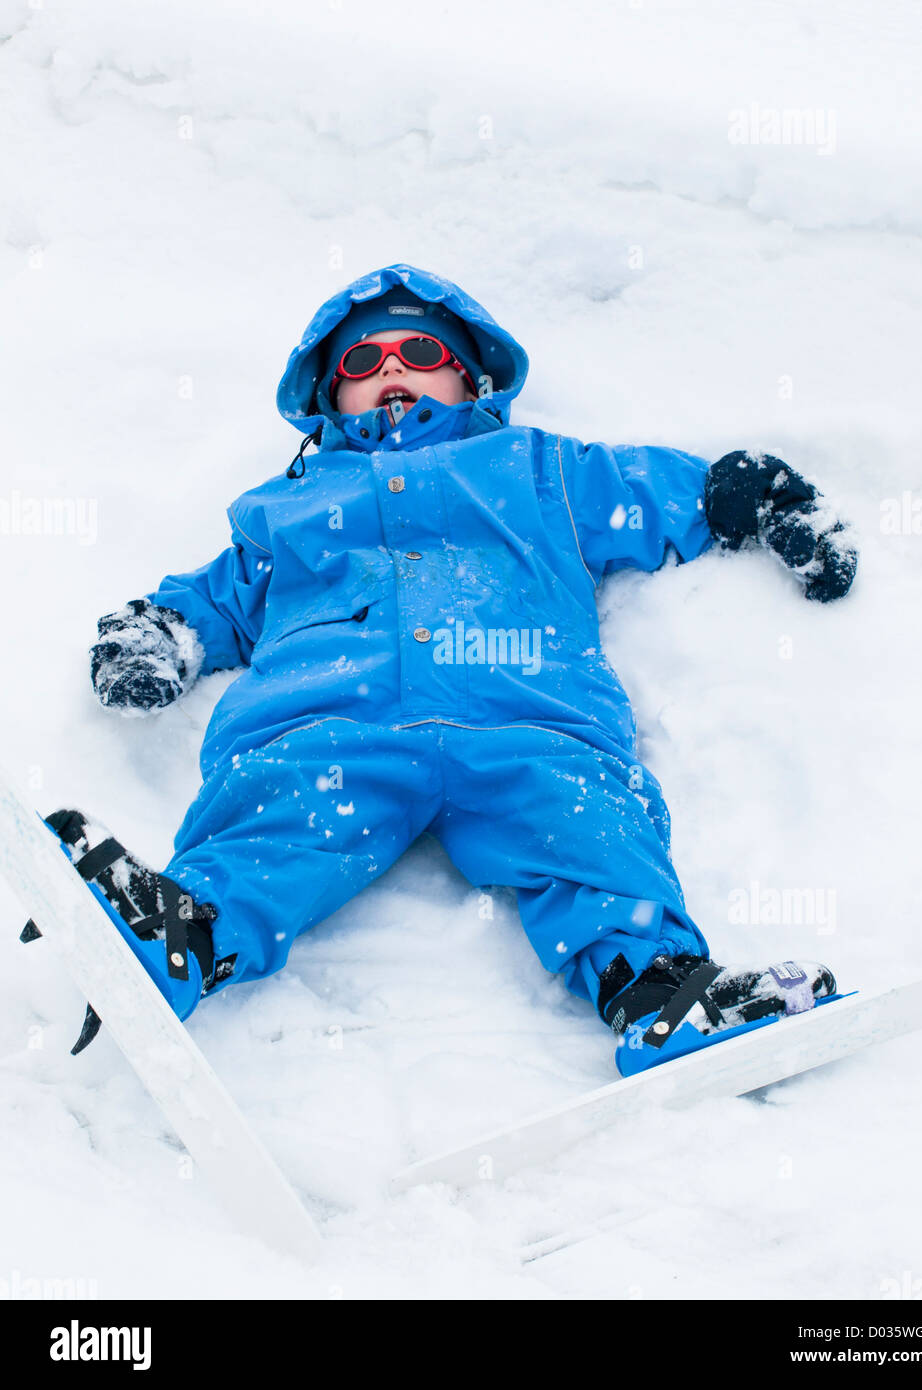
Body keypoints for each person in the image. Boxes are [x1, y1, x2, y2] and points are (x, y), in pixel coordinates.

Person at [33, 264, 857, 1074]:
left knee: (590, 825)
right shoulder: (287, 510)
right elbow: (213, 599)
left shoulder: (541, 472)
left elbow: (658, 494)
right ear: (329, 398)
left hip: (528, 719)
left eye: (420, 353)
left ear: (470, 380)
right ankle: (188, 930)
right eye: (361, 362)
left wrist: (758, 497)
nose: (390, 368)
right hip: (328, 722)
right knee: (275, 813)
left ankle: (660, 988)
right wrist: (154, 635)